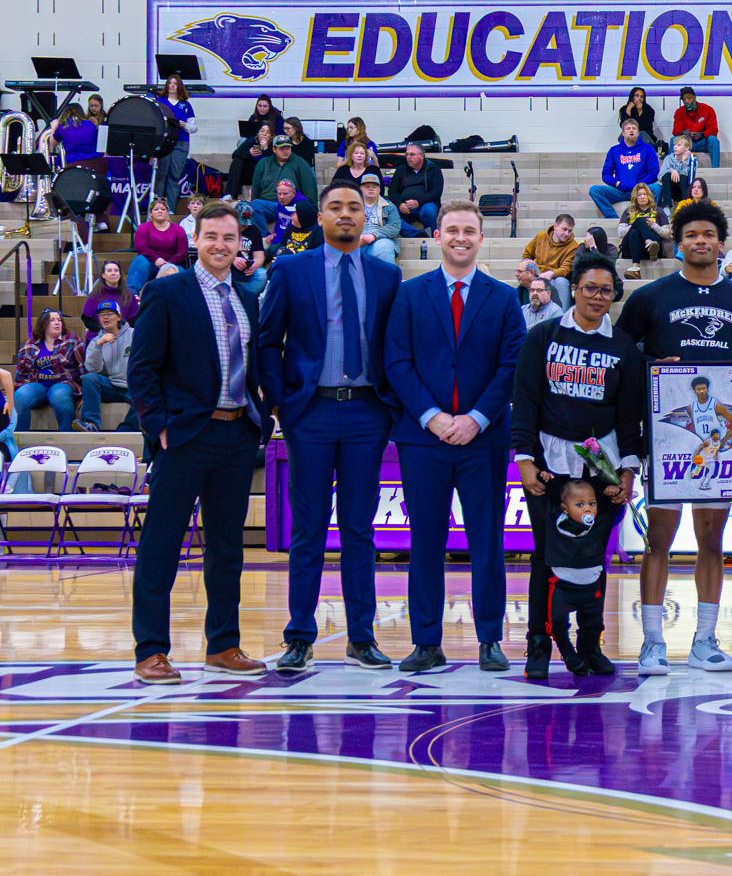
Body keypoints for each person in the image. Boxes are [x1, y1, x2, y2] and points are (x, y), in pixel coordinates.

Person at [618, 199, 732, 673]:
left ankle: (704, 639)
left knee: (710, 539)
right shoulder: (650, 298)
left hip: (721, 443)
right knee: (658, 539)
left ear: (723, 244)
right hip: (668, 441)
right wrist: (650, 369)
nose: (700, 241)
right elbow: (622, 358)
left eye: (708, 235)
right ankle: (653, 641)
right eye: (690, 236)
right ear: (677, 243)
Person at [260, 181, 402, 674]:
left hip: (367, 412)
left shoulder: (388, 275)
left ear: (367, 217)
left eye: (355, 208)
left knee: (360, 530)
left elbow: (394, 347)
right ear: (319, 216)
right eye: (336, 207)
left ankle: (361, 638)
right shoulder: (290, 269)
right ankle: (299, 636)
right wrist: (281, 405)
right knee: (309, 530)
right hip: (310, 413)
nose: (346, 214)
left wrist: (389, 407)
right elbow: (267, 342)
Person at [125, 202, 266, 684]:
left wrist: (261, 419)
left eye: (230, 238)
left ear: (239, 244)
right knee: (162, 545)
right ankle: (151, 650)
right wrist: (158, 426)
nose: (221, 246)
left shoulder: (249, 298)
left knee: (227, 547)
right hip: (185, 435)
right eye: (212, 237)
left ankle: (223, 645)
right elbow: (140, 369)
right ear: (195, 241)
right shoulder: (166, 292)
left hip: (237, 432)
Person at [382, 200, 523, 673]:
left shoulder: (503, 298)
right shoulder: (409, 293)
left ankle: (489, 640)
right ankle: (426, 641)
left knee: (487, 539)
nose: (460, 237)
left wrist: (477, 418)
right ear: (436, 236)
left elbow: (512, 367)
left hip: (483, 438)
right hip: (424, 439)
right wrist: (431, 416)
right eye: (452, 230)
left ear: (482, 238)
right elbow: (396, 362)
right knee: (425, 539)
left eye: (469, 230)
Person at [515, 250, 643, 678]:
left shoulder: (623, 347)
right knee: (545, 557)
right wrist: (526, 460)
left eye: (606, 290)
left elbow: (629, 417)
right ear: (572, 289)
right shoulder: (544, 336)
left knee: (593, 557)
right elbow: (527, 402)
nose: (597, 296)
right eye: (590, 287)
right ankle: (539, 642)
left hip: (600, 469)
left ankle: (590, 644)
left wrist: (626, 468)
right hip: (550, 466)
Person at [539, 479, 618, 676]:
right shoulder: (554, 521)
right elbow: (542, 497)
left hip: (592, 590)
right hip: (562, 589)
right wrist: (544, 479)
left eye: (592, 503)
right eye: (579, 504)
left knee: (595, 624)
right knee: (557, 625)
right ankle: (568, 654)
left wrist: (613, 492)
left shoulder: (600, 522)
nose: (587, 509)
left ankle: (588, 653)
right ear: (564, 508)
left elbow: (615, 505)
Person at [13, 309, 81, 431]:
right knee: (20, 396)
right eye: (52, 320)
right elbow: (21, 372)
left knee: (58, 395)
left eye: (59, 320)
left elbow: (83, 366)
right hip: (39, 385)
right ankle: (20, 438)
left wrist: (83, 394)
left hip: (64, 383)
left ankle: (67, 436)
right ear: (43, 324)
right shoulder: (31, 345)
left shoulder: (71, 340)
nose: (57, 323)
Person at [78, 301, 134, 432]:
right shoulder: (95, 341)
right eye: (102, 315)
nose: (105, 317)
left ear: (119, 317)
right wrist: (99, 345)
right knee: (90, 378)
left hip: (132, 386)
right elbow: (93, 369)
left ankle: (125, 430)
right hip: (111, 386)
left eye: (109, 314)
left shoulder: (134, 334)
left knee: (146, 394)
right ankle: (90, 423)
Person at [250, 134, 318, 233]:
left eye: (288, 148)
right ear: (274, 149)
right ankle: (264, 236)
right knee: (252, 206)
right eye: (282, 148)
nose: (285, 151)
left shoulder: (300, 163)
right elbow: (256, 188)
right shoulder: (263, 163)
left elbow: (310, 189)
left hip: (291, 204)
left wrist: (312, 209)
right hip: (267, 204)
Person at [592, 119, 658, 219]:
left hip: (640, 191)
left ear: (638, 133)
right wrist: (617, 183)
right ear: (623, 132)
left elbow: (654, 172)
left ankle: (650, 215)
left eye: (634, 128)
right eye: (628, 128)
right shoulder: (614, 150)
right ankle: (612, 217)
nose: (631, 131)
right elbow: (606, 174)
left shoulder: (648, 148)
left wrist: (639, 185)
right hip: (620, 190)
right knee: (595, 190)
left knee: (657, 188)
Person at [155, 73, 198, 207]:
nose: (172, 85)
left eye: (175, 83)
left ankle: (171, 209)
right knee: (161, 174)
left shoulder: (186, 105)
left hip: (181, 142)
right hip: (164, 142)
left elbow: (194, 127)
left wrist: (184, 125)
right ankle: (158, 207)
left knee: (174, 177)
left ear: (180, 86)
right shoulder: (159, 102)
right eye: (170, 83)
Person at [127, 199, 188, 293]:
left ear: (167, 212)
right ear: (150, 213)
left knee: (182, 273)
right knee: (140, 260)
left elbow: (182, 252)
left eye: (163, 209)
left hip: (172, 264)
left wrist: (169, 264)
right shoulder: (143, 228)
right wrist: (156, 259)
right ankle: (132, 296)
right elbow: (140, 247)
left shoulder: (178, 230)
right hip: (150, 264)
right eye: (156, 209)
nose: (160, 211)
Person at [522, 215, 581, 309]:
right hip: (538, 275)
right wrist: (530, 268)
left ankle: (562, 316)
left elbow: (566, 268)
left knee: (561, 282)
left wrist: (552, 273)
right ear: (555, 226)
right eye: (564, 229)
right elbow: (527, 255)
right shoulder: (541, 237)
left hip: (556, 278)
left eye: (570, 231)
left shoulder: (573, 246)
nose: (567, 233)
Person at [389, 142, 444, 238]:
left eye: (412, 154)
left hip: (424, 204)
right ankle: (417, 234)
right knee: (390, 216)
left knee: (430, 210)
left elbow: (436, 192)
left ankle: (434, 237)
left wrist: (418, 202)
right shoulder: (401, 170)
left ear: (422, 156)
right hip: (404, 207)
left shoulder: (433, 169)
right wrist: (400, 204)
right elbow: (392, 192)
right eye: (407, 154)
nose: (408, 157)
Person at [619, 184, 670, 270]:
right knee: (637, 226)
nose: (642, 197)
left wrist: (653, 225)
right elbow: (620, 232)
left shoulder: (658, 210)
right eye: (639, 195)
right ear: (635, 197)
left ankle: (635, 267)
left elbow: (667, 234)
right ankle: (648, 241)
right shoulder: (629, 211)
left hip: (653, 250)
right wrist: (635, 225)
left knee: (637, 228)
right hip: (631, 247)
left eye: (644, 194)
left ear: (649, 196)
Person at [81, 260, 138, 333]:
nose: (113, 273)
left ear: (120, 274)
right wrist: (105, 331)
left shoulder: (129, 294)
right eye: (109, 271)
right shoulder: (95, 294)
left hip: (123, 335)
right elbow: (87, 320)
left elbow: (134, 319)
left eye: (116, 271)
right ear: (103, 275)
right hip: (99, 335)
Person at [357, 173, 402, 264]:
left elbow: (394, 227)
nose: (371, 189)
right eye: (367, 186)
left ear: (380, 189)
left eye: (374, 186)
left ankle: (387, 278)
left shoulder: (389, 206)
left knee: (385, 246)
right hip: (356, 241)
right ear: (360, 189)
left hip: (379, 241)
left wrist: (374, 235)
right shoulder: (350, 206)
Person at [673, 86, 721, 162]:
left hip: (703, 142)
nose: (687, 101)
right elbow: (675, 130)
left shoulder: (708, 110)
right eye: (684, 99)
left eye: (689, 98)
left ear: (695, 97)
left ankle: (715, 169)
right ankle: (672, 169)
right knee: (674, 140)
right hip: (688, 144)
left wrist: (702, 134)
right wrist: (683, 132)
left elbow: (713, 130)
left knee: (713, 139)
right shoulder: (679, 112)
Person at [655, 133, 697, 208]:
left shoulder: (691, 159)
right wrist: (672, 171)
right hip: (671, 190)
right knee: (666, 175)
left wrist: (684, 162)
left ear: (687, 148)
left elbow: (690, 178)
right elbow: (660, 175)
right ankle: (666, 206)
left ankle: (686, 205)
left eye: (678, 145)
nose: (675, 147)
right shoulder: (668, 158)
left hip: (684, 190)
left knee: (683, 176)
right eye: (674, 145)